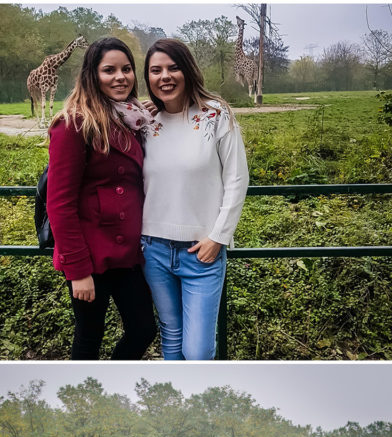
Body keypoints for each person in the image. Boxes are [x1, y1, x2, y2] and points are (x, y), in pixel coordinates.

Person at [47, 37, 157, 359]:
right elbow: (59, 203)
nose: (120, 77)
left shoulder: (133, 118)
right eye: (109, 70)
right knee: (89, 336)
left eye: (126, 69)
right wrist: (78, 270)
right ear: (92, 75)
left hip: (127, 254)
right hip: (90, 256)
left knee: (143, 329)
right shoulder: (73, 124)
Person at [140, 38, 249, 360]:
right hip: (153, 250)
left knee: (198, 351)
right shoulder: (143, 123)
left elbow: (237, 179)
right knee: (171, 339)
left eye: (173, 68)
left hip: (201, 252)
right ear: (148, 78)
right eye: (155, 70)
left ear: (187, 70)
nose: (165, 76)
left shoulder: (217, 117)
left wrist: (218, 236)